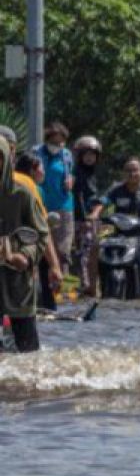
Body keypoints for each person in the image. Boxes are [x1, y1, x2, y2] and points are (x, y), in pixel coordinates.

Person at [88, 156, 140, 299]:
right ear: (123, 173)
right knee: (95, 248)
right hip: (119, 236)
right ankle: (91, 289)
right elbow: (103, 202)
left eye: (135, 170)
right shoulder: (116, 190)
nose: (132, 174)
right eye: (128, 170)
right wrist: (95, 214)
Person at [0, 133, 51, 352]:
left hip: (16, 277)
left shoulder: (23, 193)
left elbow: (40, 233)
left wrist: (25, 255)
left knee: (29, 351)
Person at [14, 151, 62, 313]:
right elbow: (41, 225)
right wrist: (55, 266)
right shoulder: (30, 185)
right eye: (42, 168)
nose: (44, 171)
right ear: (33, 169)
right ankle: (46, 306)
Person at [35, 122, 74, 289]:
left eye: (60, 143)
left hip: (63, 207)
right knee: (42, 249)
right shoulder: (35, 153)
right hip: (41, 206)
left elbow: (71, 175)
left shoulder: (66, 155)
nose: (56, 146)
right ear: (47, 140)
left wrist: (71, 181)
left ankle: (60, 287)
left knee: (62, 251)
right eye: (53, 142)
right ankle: (40, 287)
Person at [71, 135, 103, 297]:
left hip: (90, 219)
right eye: (87, 154)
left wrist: (94, 215)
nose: (90, 158)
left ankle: (89, 285)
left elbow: (99, 199)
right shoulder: (76, 173)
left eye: (93, 155)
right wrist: (85, 218)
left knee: (88, 252)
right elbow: (79, 197)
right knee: (82, 253)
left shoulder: (94, 175)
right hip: (80, 219)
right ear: (80, 155)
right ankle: (86, 285)